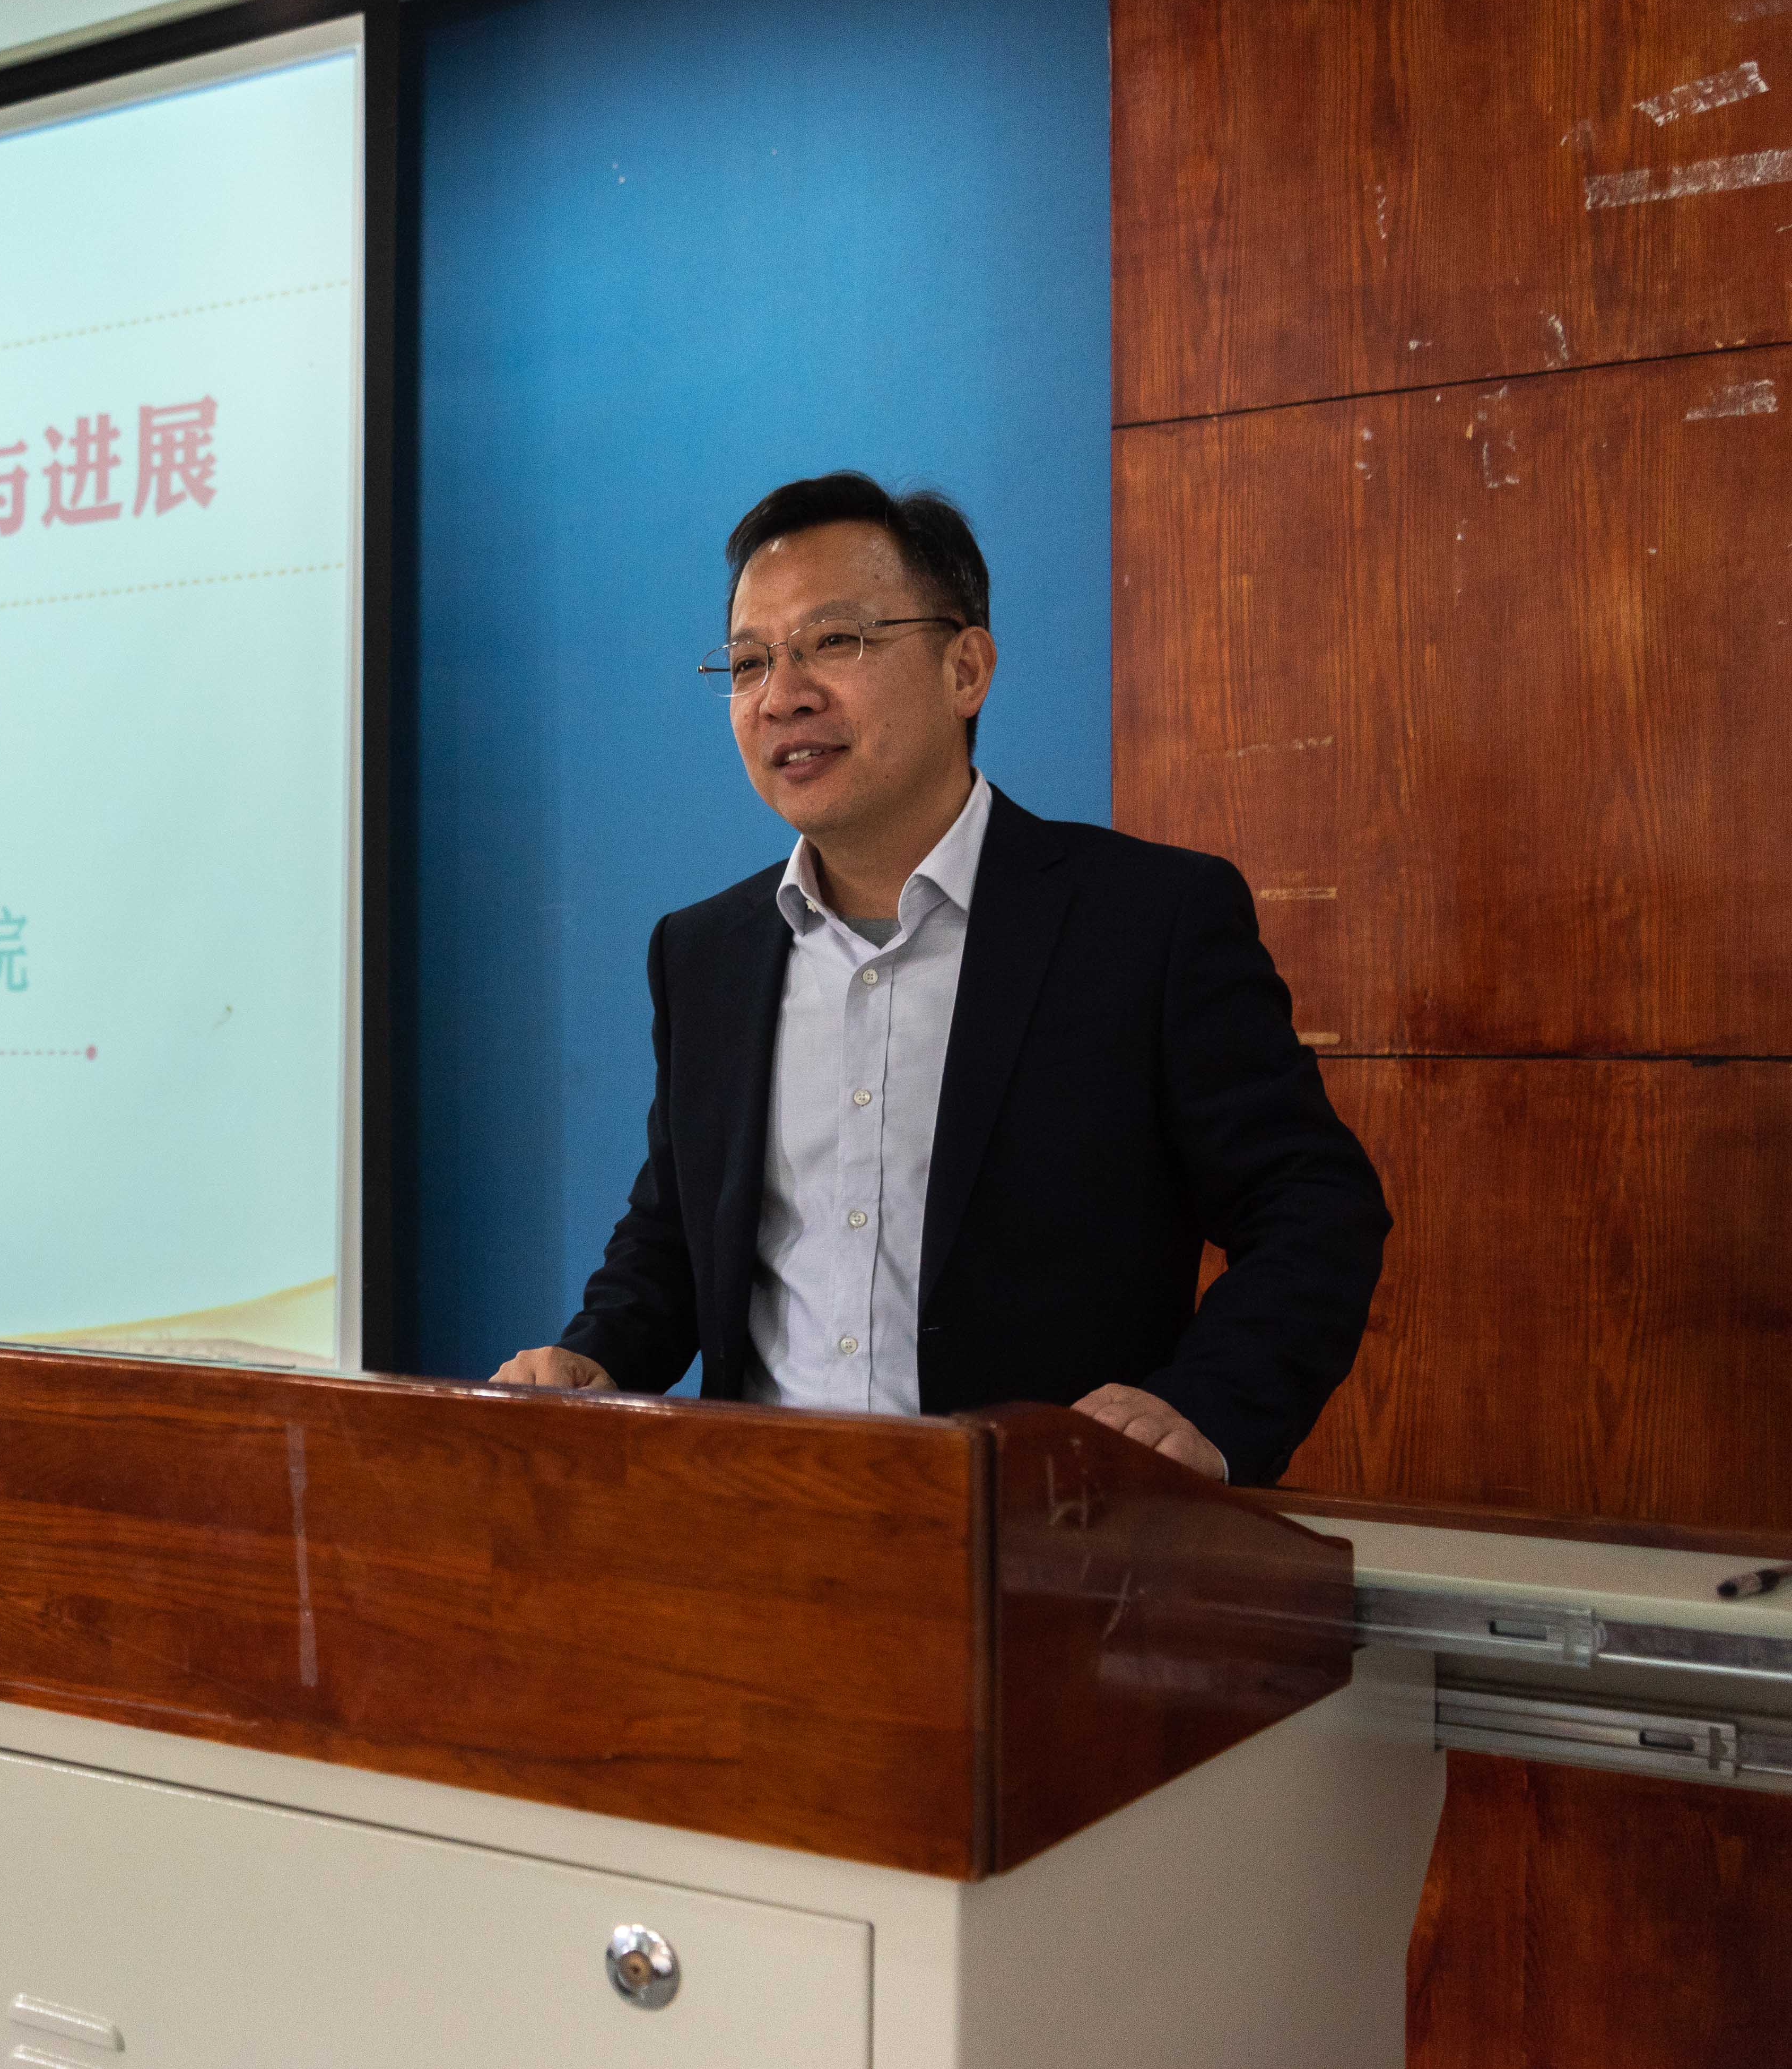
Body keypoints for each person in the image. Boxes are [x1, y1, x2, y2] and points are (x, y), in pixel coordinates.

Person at [492, 472, 1387, 1485]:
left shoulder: (1146, 922)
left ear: (966, 670)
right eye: (748, 662)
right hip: (763, 1525)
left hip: (1046, 1532)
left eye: (835, 641)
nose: (782, 695)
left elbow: (1313, 1208)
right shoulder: (705, 954)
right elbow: (676, 1242)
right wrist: (598, 1357)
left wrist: (1204, 1408)